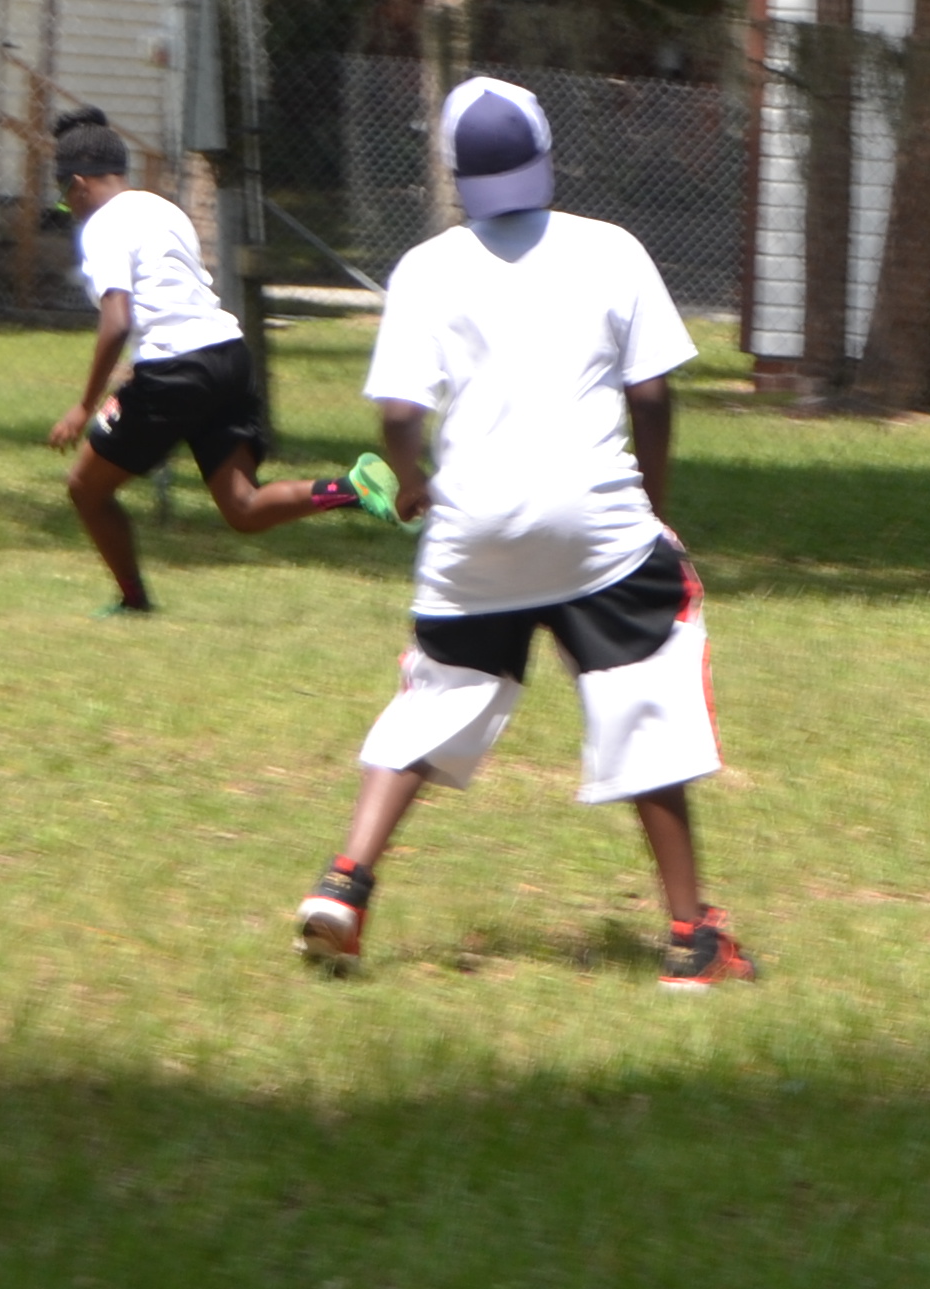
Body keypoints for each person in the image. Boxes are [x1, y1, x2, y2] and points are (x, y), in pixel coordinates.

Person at [291, 76, 752, 990]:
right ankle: (691, 938)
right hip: (596, 527)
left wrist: (413, 484)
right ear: (546, 158)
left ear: (458, 173)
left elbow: (398, 413)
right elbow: (652, 394)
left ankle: (345, 885)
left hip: (473, 532)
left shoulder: (426, 268)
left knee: (438, 696)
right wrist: (653, 507)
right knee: (642, 700)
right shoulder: (611, 248)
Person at [45, 106, 391, 613]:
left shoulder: (102, 226)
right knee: (243, 507)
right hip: (228, 356)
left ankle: (134, 601)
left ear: (78, 184)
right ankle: (351, 487)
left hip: (175, 372)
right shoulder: (163, 210)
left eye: (64, 197)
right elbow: (174, 297)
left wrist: (83, 406)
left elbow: (116, 319)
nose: (68, 209)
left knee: (85, 489)